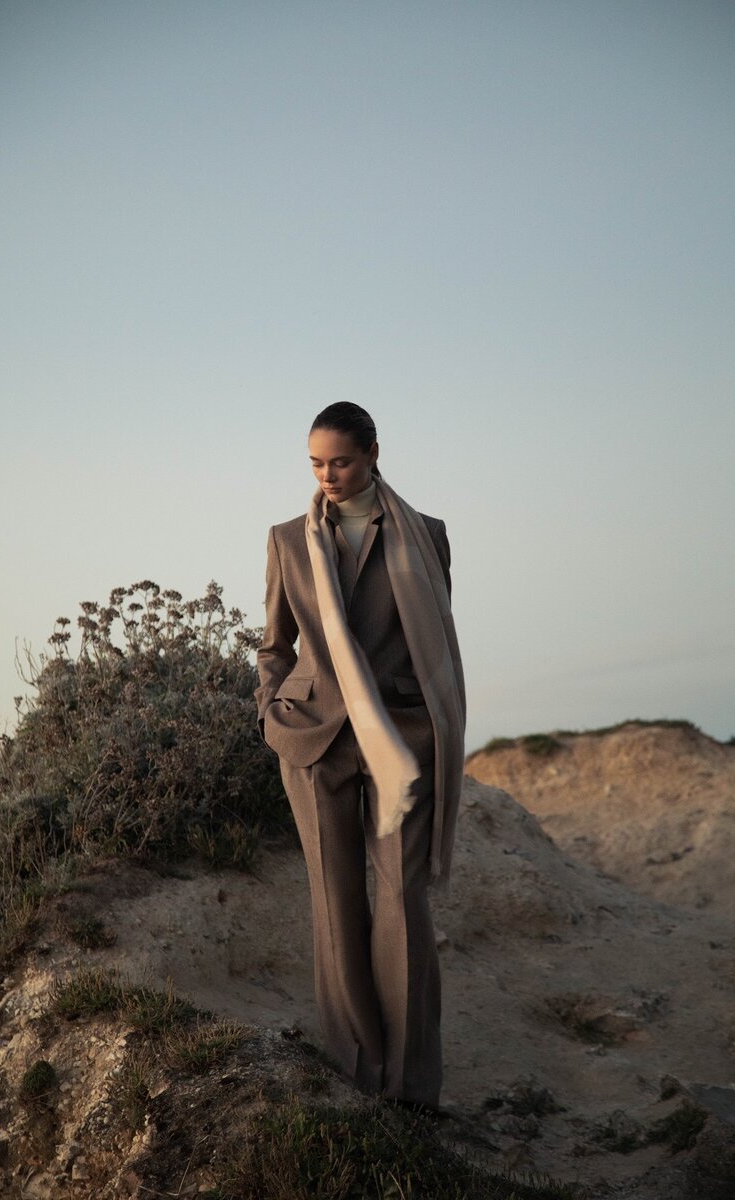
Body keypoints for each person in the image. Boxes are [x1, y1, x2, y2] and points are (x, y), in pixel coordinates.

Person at [255, 402, 465, 1109]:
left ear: (374, 453)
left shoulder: (427, 534)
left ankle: (409, 1088)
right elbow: (274, 644)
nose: (328, 475)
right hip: (314, 738)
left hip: (402, 738)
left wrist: (432, 722)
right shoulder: (288, 539)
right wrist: (270, 711)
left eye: (340, 461)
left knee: (402, 901)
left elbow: (435, 637)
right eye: (316, 463)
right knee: (335, 899)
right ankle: (356, 1074)